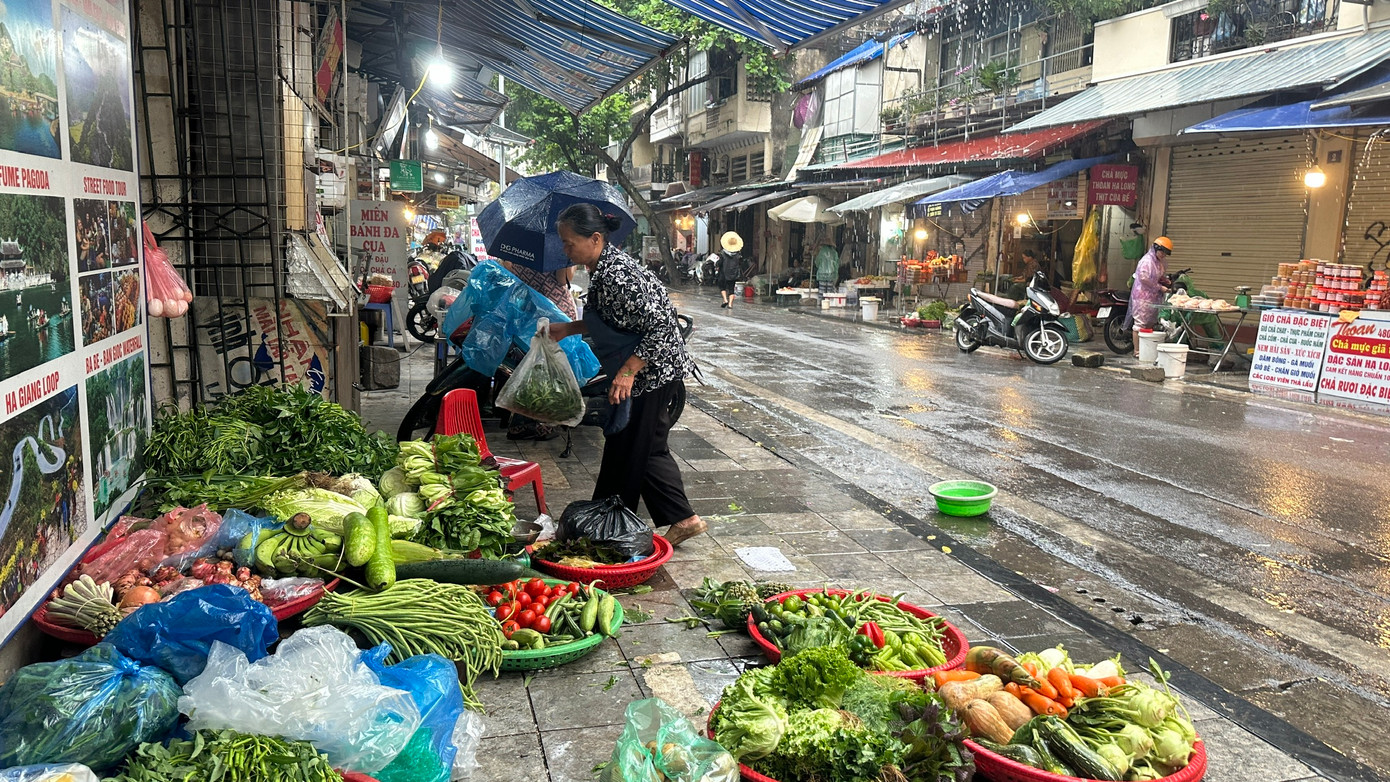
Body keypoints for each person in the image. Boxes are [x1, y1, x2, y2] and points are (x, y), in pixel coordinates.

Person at [545, 204, 706, 547]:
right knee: (644, 446)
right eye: (563, 242)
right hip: (644, 368)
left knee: (629, 447)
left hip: (653, 370)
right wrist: (568, 329)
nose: (565, 249)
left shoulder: (618, 274)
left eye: (570, 242)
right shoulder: (602, 270)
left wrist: (628, 373)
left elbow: (660, 326)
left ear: (596, 238)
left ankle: (613, 528)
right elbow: (613, 319)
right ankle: (683, 519)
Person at [1124, 236, 1173, 357]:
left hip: (1153, 297)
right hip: (1142, 297)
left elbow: (1157, 275)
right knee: (1140, 324)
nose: (1163, 255)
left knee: (1150, 323)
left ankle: (1146, 349)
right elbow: (1144, 278)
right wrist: (1159, 287)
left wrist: (1164, 281)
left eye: (1165, 253)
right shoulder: (1147, 261)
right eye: (1162, 251)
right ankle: (1137, 350)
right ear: (1156, 248)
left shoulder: (1158, 263)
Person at [716, 231, 744, 309]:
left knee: (722, 287)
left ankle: (725, 300)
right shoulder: (738, 254)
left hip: (723, 273)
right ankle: (730, 304)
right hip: (733, 273)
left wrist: (717, 265)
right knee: (731, 289)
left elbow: (719, 263)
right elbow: (740, 263)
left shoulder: (723, 253)